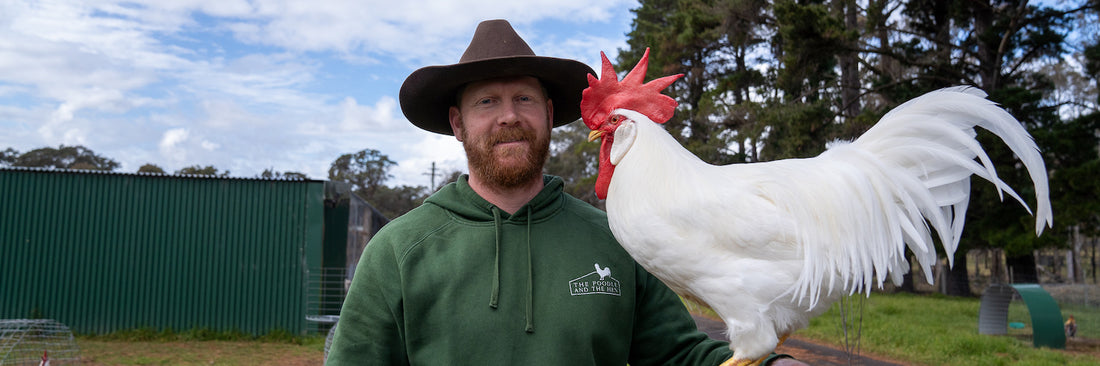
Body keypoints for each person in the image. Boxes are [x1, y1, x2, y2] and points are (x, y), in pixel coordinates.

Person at [325, 19, 805, 366]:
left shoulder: (619, 240)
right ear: (458, 123)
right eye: (487, 101)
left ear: (550, 115)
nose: (508, 115)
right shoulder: (397, 251)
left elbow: (679, 354)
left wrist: (773, 365)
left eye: (524, 99)